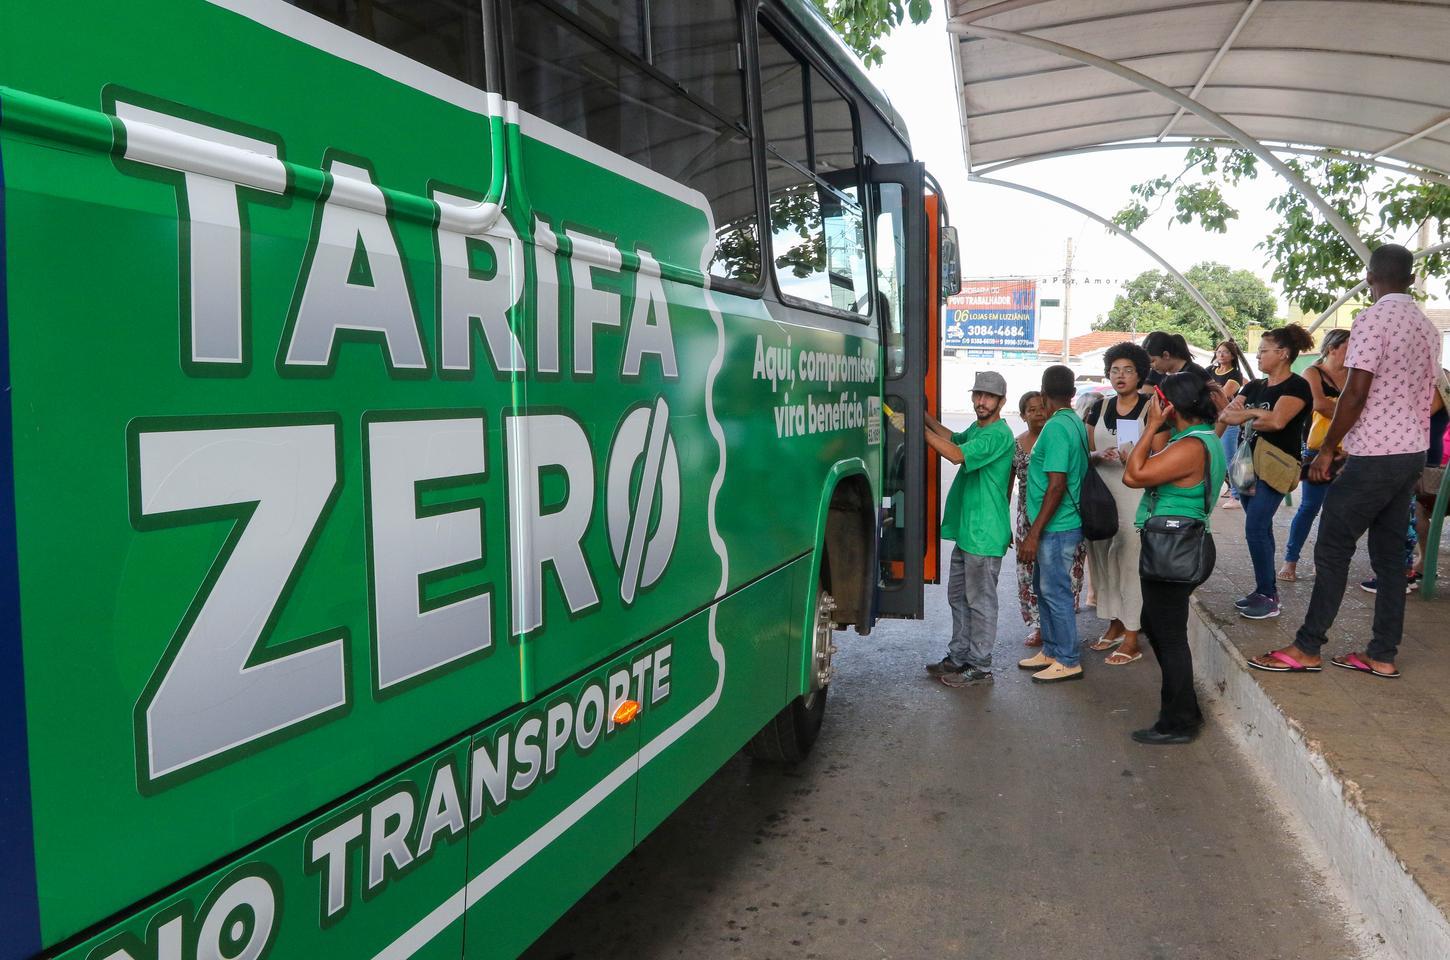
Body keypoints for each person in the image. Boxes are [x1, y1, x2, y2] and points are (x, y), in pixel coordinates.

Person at [1249, 244, 1442, 679]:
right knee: (1391, 557)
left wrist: (1328, 448)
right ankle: (1382, 653)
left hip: (1374, 453)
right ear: (1410, 280)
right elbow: (1429, 395)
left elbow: (1355, 393)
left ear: (1370, 276)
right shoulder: (1428, 329)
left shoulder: (1371, 320)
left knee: (1333, 546)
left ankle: (1307, 646)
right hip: (1410, 452)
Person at [1122, 371, 1225, 744]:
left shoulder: (1190, 446)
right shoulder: (1199, 439)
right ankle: (1186, 709)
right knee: (1157, 623)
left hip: (1175, 547)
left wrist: (1150, 427)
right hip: (1180, 545)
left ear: (1167, 405)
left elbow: (1134, 475)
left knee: (1170, 636)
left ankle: (1178, 722)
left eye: (1156, 399)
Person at [923, 372, 1016, 687]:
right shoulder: (979, 430)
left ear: (1001, 402)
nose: (981, 401)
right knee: (959, 597)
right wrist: (923, 417)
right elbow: (954, 439)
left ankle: (980, 665)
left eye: (988, 397)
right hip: (969, 532)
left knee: (980, 600)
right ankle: (959, 656)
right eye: (978, 395)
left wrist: (915, 429)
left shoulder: (998, 435)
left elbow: (955, 454)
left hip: (984, 534)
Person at [1218, 324, 1315, 620]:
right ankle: (1265, 588)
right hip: (1247, 464)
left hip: (1276, 465)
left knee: (1256, 526)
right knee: (1260, 527)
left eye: (1263, 350)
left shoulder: (1296, 386)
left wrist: (1249, 414)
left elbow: (1277, 423)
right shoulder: (1254, 386)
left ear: (1283, 354)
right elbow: (1226, 415)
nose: (1258, 355)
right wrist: (1257, 414)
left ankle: (1268, 595)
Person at [1017, 365, 1088, 683]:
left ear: (1044, 396)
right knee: (1043, 589)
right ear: (1072, 394)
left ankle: (1069, 659)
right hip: (1055, 525)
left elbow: (1056, 484)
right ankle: (1052, 650)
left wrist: (1033, 532)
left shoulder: (1058, 427)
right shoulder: (1073, 420)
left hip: (1057, 526)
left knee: (1055, 591)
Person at [1084, 342, 1152, 666]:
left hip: (1134, 495)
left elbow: (1160, 454)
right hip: (1101, 493)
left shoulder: (1150, 408)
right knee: (1102, 562)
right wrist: (1098, 455)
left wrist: (1135, 456)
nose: (1120, 376)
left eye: (1127, 370)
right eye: (1115, 370)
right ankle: (1112, 622)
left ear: (1140, 374)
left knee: (1129, 561)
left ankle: (1132, 636)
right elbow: (1083, 451)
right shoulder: (1098, 407)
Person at [1278, 328, 1350, 582]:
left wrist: (1341, 411)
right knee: (1309, 506)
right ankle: (1291, 559)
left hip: (1348, 451)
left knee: (1335, 510)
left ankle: (1323, 560)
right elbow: (1319, 404)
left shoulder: (1355, 375)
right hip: (1317, 449)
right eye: (1349, 346)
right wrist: (1349, 414)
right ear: (1332, 348)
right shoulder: (1313, 372)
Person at [1208, 340, 1250, 509]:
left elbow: (1223, 395)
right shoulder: (1210, 370)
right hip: (1211, 418)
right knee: (1213, 457)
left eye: (1225, 352)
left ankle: (1237, 495)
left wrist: (1210, 390)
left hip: (1228, 420)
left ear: (1233, 356)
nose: (1221, 355)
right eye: (1219, 352)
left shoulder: (1235, 375)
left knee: (1230, 458)